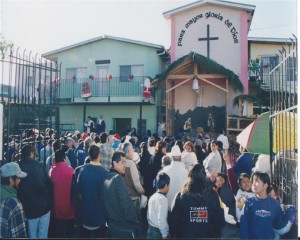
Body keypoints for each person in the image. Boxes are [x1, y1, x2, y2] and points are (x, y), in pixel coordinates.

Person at [170, 164, 225, 238]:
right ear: (204, 176)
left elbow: (174, 221)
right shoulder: (213, 195)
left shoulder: (181, 195)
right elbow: (220, 220)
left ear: (189, 176)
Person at [240, 172, 296, 239]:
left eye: (257, 181)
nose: (253, 184)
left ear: (265, 185)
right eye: (253, 181)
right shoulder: (248, 203)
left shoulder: (274, 204)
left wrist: (290, 212)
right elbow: (244, 227)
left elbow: (278, 225)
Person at [18, 145, 54, 238]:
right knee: (42, 234)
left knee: (31, 234)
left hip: (29, 208)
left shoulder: (19, 167)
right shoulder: (39, 166)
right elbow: (51, 184)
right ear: (31, 153)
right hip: (43, 206)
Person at [103, 151, 140, 238]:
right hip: (122, 229)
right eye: (123, 162)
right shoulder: (117, 178)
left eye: (125, 162)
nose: (125, 165)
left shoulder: (108, 177)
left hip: (111, 226)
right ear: (115, 163)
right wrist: (135, 221)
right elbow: (126, 204)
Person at [76, 145, 109, 238]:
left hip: (86, 213)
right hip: (100, 215)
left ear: (89, 156)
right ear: (99, 155)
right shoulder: (105, 173)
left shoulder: (82, 171)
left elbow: (79, 194)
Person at [49, 149, 75, 238]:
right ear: (64, 158)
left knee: (59, 232)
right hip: (70, 206)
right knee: (69, 232)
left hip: (57, 206)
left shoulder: (52, 171)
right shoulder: (71, 170)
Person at [0, 162, 28, 238]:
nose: (19, 181)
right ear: (11, 180)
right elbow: (20, 235)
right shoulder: (14, 204)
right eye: (18, 178)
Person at [160, 145, 188, 211]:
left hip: (166, 207)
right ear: (180, 158)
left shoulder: (164, 171)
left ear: (171, 158)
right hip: (180, 207)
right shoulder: (186, 172)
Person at [147, 172, 170, 239]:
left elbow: (148, 215)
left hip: (150, 229)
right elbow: (162, 219)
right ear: (166, 185)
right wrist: (165, 234)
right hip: (158, 232)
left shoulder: (152, 196)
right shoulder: (163, 199)